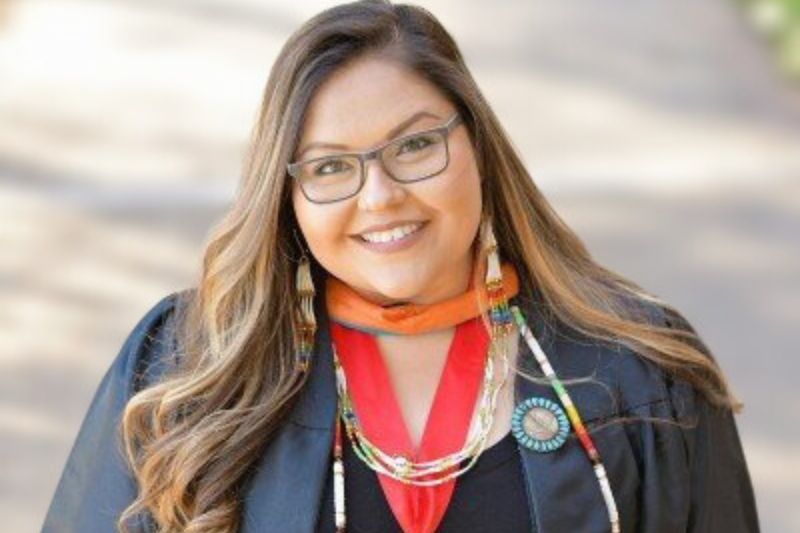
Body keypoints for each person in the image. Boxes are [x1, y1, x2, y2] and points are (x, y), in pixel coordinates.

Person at [41, 1, 760, 532]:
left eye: (415, 147)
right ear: (286, 194)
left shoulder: (640, 373)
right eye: (330, 167)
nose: (380, 197)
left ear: (477, 146)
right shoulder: (189, 368)